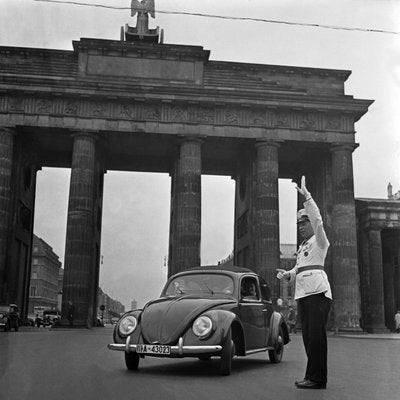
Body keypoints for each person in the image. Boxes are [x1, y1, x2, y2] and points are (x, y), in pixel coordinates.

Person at [277, 176, 332, 390]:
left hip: (317, 294)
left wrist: (307, 197)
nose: (301, 227)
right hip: (304, 294)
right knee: (309, 338)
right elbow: (300, 269)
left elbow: (318, 220)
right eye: (299, 224)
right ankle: (312, 375)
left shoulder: (320, 240)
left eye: (304, 223)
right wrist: (288, 274)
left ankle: (318, 379)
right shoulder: (302, 247)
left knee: (316, 338)